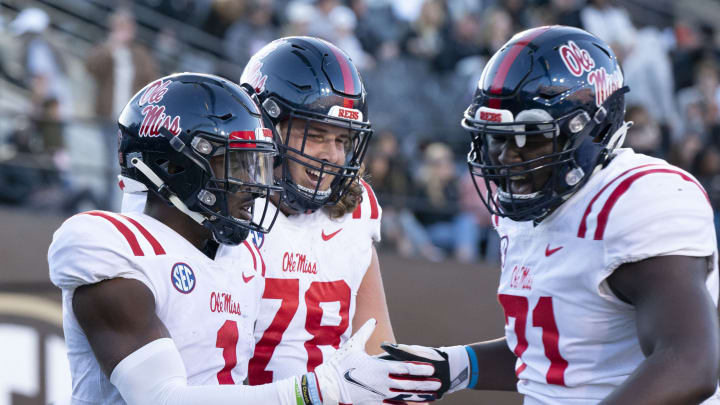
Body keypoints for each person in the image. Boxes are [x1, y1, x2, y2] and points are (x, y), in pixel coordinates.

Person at [48, 73, 438, 405]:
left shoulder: (242, 256)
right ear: (175, 166)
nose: (254, 185)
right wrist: (313, 390)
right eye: (236, 165)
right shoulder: (109, 245)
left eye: (257, 165)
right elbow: (162, 398)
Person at [382, 26, 720, 405]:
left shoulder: (638, 198)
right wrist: (449, 366)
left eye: (532, 137)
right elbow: (557, 352)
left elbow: (690, 362)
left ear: (593, 128)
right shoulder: (533, 204)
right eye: (499, 138)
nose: (509, 157)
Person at [236, 36, 399, 385]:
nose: (333, 155)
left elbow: (375, 347)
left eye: (342, 140)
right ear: (267, 130)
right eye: (316, 135)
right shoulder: (229, 207)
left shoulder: (356, 209)